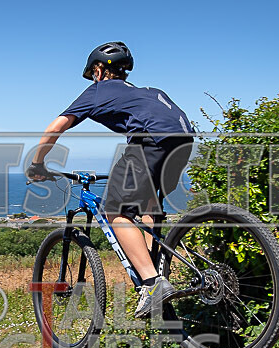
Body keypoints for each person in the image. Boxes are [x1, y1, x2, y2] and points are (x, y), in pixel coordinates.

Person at [27, 41, 194, 318]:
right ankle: (154, 268)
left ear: (99, 70)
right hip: (181, 143)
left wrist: (37, 163)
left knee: (115, 211)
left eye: (94, 73)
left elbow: (57, 126)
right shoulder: (149, 92)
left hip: (149, 141)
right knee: (148, 208)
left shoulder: (97, 91)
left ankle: (153, 285)